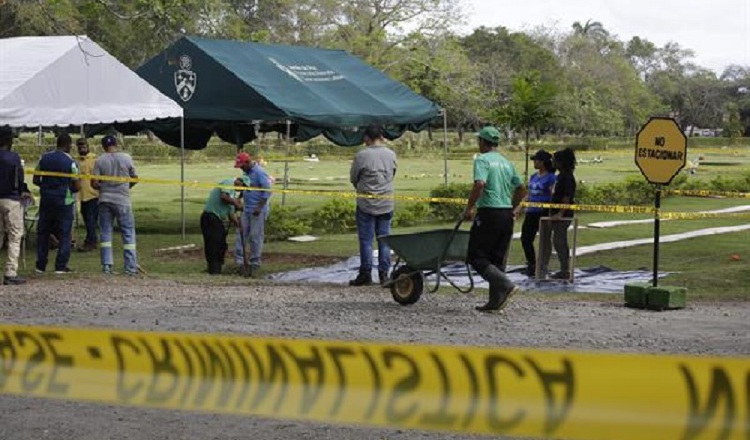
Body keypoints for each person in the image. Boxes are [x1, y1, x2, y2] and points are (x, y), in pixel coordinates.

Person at [463, 126, 526, 312]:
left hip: (489, 212)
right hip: (506, 214)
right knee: (497, 259)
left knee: (476, 256)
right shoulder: (507, 162)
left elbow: (480, 184)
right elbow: (522, 188)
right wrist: (513, 207)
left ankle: (506, 284)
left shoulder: (482, 160)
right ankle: (495, 302)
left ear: (482, 142)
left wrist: (469, 208)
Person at [349, 124, 397, 286]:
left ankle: (365, 273)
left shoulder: (361, 155)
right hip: (386, 202)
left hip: (366, 203)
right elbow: (393, 174)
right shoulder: (391, 154)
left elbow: (354, 177)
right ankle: (384, 274)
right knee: (384, 240)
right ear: (382, 137)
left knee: (366, 240)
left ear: (366, 138)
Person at [33, 133, 80, 274]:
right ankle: (60, 266)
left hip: (46, 200)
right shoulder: (71, 162)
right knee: (65, 233)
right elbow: (77, 185)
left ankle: (40, 266)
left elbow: (35, 179)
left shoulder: (44, 158)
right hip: (64, 201)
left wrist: (46, 187)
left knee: (43, 232)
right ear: (69, 145)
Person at [92, 135, 138, 275]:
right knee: (128, 233)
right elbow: (135, 177)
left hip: (105, 200)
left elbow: (94, 183)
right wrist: (126, 186)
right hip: (122, 200)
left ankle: (107, 266)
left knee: (106, 233)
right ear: (116, 144)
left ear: (103, 146)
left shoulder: (99, 160)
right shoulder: (126, 158)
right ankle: (130, 267)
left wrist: (104, 187)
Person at [514, 149, 556, 277]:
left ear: (542, 162)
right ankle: (532, 263)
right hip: (531, 212)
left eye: (536, 160)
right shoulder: (533, 176)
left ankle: (543, 266)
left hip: (543, 212)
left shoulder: (551, 177)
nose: (534, 162)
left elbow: (553, 195)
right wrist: (519, 208)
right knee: (526, 239)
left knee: (544, 240)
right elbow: (529, 194)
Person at [539, 148, 577, 280]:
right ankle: (559, 268)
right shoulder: (560, 176)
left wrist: (560, 213)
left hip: (563, 215)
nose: (552, 162)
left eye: (555, 160)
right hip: (555, 213)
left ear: (561, 162)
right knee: (556, 241)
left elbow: (566, 197)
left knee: (560, 241)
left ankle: (565, 270)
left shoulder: (567, 177)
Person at [0, 127, 31, 285]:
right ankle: (10, 272)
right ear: (9, 141)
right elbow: (18, 179)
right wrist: (23, 191)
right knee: (14, 235)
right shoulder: (13, 157)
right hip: (11, 199)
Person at [233, 152, 271, 276]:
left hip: (257, 210)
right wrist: (239, 198)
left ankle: (255, 262)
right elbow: (246, 188)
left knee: (255, 236)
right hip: (247, 209)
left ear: (248, 162)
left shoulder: (260, 173)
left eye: (242, 165)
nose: (241, 168)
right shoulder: (246, 173)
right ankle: (239, 261)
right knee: (241, 233)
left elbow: (267, 191)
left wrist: (259, 208)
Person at [202, 176, 247, 274]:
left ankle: (217, 268)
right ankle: (213, 269)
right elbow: (224, 197)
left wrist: (238, 224)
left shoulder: (233, 194)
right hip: (210, 217)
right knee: (213, 244)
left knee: (221, 244)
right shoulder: (228, 182)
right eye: (242, 186)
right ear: (239, 181)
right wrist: (236, 203)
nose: (241, 189)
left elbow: (231, 214)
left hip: (218, 220)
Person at [76, 137, 99, 252]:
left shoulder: (93, 159)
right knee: (87, 218)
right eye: (79, 147)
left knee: (90, 219)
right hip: (82, 195)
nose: (82, 148)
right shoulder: (77, 160)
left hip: (93, 194)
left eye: (84, 146)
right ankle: (91, 239)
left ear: (88, 147)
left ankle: (91, 242)